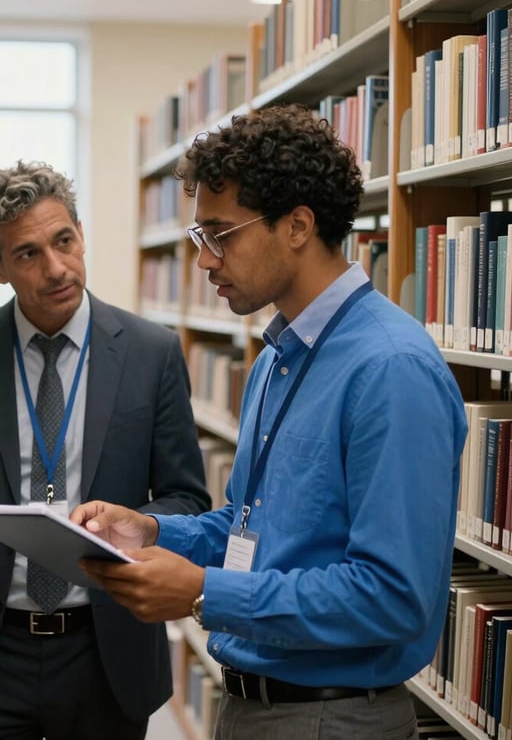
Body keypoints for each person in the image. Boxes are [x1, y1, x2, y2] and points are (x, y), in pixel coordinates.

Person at [74, 103, 468, 740]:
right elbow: (252, 528)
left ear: (298, 226)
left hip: (332, 716)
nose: (204, 262)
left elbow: (393, 595)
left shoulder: (389, 370)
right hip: (255, 708)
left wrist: (205, 593)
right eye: (199, 238)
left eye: (220, 235)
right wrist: (151, 531)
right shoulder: (277, 356)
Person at [0, 159, 211, 740]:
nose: (57, 268)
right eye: (28, 255)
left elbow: (188, 497)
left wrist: (137, 523)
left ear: (81, 233)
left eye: (64, 240)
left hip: (106, 647)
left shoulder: (152, 353)